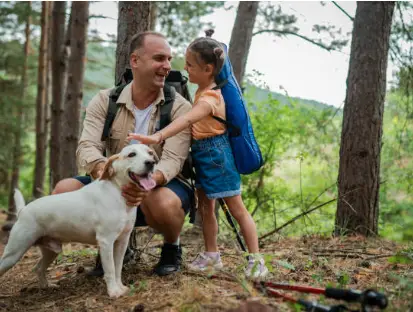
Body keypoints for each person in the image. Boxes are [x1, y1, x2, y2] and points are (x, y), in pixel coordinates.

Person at [127, 31, 268, 278]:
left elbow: (188, 119)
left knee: (237, 209)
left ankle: (256, 260)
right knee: (206, 209)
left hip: (218, 156)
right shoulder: (203, 91)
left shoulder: (212, 97)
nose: (185, 68)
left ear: (208, 69)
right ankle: (212, 256)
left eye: (190, 65)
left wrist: (157, 137)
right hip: (204, 156)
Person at [52, 31, 194, 277]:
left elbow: (173, 160)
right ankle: (112, 247)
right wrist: (101, 171)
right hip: (113, 183)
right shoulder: (105, 100)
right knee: (63, 190)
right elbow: (86, 146)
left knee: (159, 202)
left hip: (162, 185)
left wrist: (148, 182)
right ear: (135, 61)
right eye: (159, 58)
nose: (167, 66)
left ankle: (172, 248)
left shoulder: (180, 107)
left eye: (169, 59)